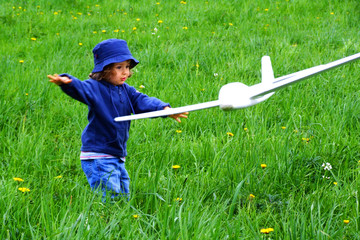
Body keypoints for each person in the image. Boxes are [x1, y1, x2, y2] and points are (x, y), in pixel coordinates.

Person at [47, 39, 188, 201]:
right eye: (119, 67)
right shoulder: (95, 88)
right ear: (105, 70)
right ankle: (103, 221)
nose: (125, 72)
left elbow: (142, 101)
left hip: (116, 153)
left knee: (123, 194)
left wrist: (164, 109)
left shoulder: (126, 90)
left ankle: (119, 221)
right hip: (98, 155)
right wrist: (67, 82)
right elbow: (81, 88)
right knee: (109, 197)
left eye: (127, 67)